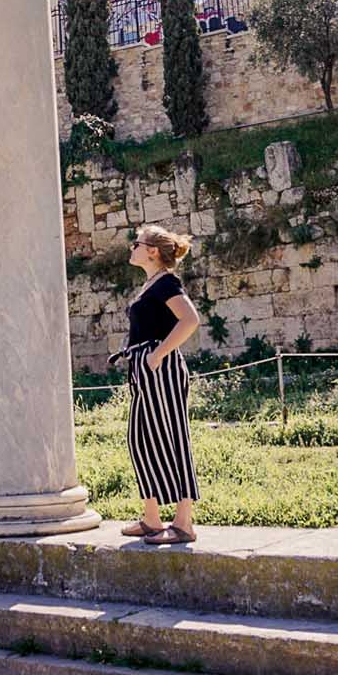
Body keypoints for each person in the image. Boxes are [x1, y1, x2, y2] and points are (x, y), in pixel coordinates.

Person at [115, 224, 201, 544]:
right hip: (145, 368)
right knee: (140, 440)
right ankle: (152, 518)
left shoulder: (166, 282)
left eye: (135, 244)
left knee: (172, 437)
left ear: (151, 251)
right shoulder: (152, 283)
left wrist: (158, 355)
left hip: (159, 368)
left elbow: (190, 320)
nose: (131, 249)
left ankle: (183, 523)